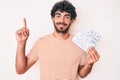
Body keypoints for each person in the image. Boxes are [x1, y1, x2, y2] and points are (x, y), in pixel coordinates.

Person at [15, 0, 100, 80]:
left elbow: (82, 74)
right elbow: (20, 70)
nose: (62, 20)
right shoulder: (41, 43)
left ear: (72, 20)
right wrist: (21, 43)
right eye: (58, 15)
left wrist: (89, 64)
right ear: (53, 18)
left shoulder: (80, 43)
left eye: (66, 17)